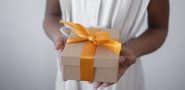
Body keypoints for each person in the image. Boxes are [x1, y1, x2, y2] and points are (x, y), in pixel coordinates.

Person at [43, 0, 169, 90]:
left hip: (122, 66)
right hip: (72, 70)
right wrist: (63, 40)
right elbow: (51, 15)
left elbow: (159, 28)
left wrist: (132, 50)